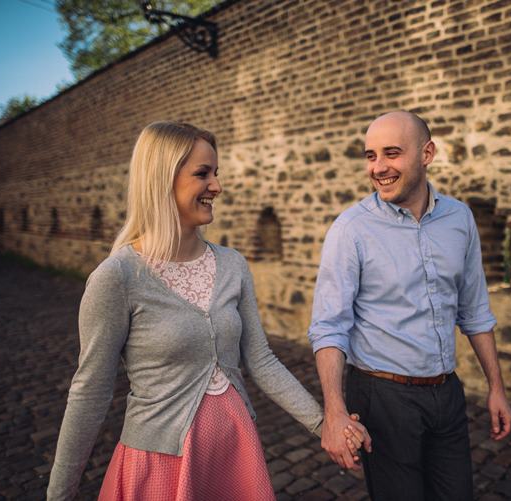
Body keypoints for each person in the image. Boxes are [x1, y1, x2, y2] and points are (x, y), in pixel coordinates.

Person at [47, 121, 368, 501]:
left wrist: (324, 424)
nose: (216, 186)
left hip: (235, 452)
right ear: (162, 178)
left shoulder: (232, 265)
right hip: (162, 465)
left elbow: (261, 360)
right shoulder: (117, 277)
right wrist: (59, 495)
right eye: (203, 174)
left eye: (216, 173)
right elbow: (91, 392)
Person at [308, 111, 511, 500]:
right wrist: (334, 412)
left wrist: (496, 388)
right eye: (371, 156)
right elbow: (329, 327)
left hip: (447, 392)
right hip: (382, 397)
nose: (378, 168)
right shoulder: (351, 230)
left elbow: (474, 310)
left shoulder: (459, 218)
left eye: (392, 153)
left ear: (427, 153)